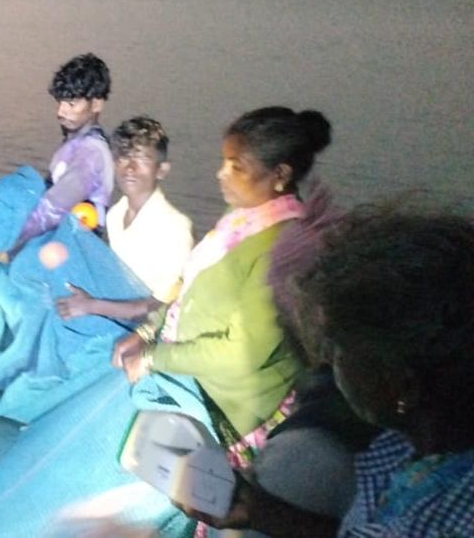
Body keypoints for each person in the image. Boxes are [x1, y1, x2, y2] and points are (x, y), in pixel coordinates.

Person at [72, 107, 331, 470]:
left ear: (280, 174)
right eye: (224, 162)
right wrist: (148, 332)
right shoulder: (243, 217)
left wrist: (153, 357)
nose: (220, 174)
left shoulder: (285, 248)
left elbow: (240, 356)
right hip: (192, 370)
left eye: (235, 167)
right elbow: (188, 287)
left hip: (233, 405)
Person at [188, 208, 474, 537]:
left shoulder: (438, 523)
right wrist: (258, 509)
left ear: (399, 386)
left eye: (337, 350)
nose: (326, 362)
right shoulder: (418, 442)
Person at [2, 53, 114, 259]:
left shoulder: (91, 153)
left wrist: (11, 246)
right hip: (58, 243)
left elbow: (53, 208)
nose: (61, 112)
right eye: (60, 102)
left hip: (74, 253)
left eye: (71, 104)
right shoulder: (75, 142)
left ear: (97, 104)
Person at [107, 116, 193, 302]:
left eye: (143, 158)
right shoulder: (115, 215)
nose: (130, 167)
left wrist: (94, 306)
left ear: (161, 170)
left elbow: (166, 305)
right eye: (124, 157)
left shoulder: (175, 228)